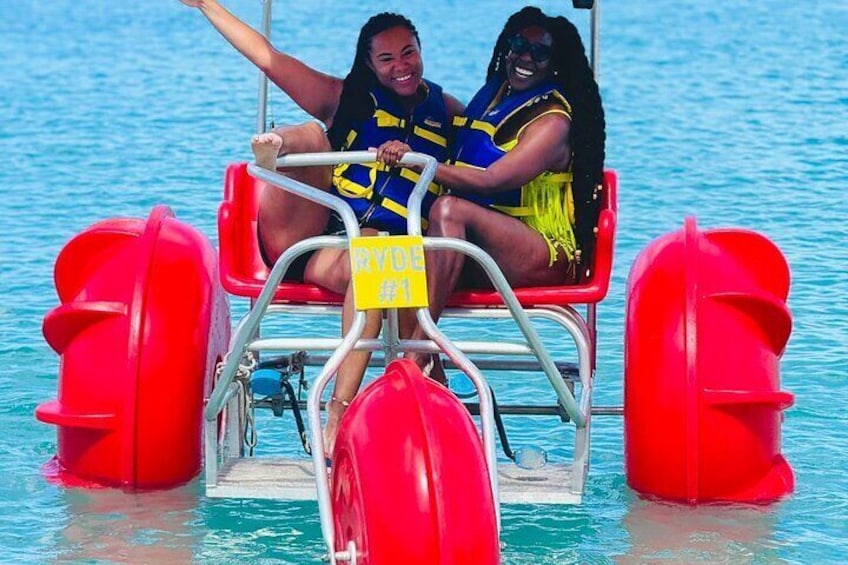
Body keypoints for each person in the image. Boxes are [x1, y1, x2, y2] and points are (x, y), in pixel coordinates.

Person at [179, 1, 464, 452]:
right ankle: (280, 146)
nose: (401, 67)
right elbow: (268, 57)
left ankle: (377, 396)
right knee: (313, 137)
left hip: (388, 252)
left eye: (408, 53)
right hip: (314, 240)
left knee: (381, 252)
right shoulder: (344, 98)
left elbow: (493, 149)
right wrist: (206, 6)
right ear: (369, 64)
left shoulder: (445, 110)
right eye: (386, 59)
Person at [376, 6, 606, 378]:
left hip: (545, 252)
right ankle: (427, 390)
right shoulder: (495, 95)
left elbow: (493, 180)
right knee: (400, 261)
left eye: (540, 52)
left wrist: (420, 163)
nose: (526, 57)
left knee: (448, 210)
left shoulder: (553, 122)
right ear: (506, 46)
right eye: (519, 45)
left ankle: (417, 355)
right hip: (482, 247)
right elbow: (458, 126)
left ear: (555, 62)